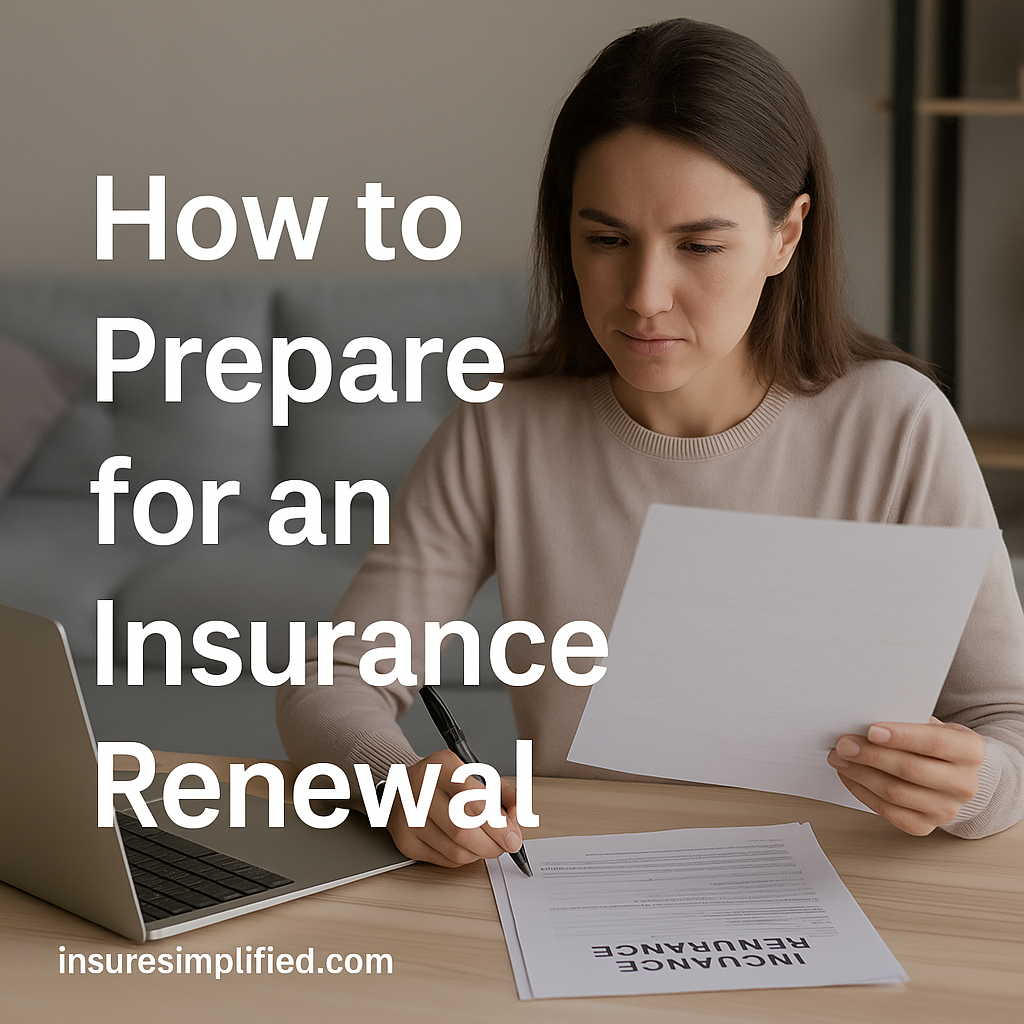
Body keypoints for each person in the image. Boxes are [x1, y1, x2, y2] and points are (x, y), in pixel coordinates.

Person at [277, 19, 1024, 863]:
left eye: (699, 245)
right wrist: (394, 781)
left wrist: (974, 786)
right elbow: (332, 680)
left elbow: (1010, 722)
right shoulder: (503, 425)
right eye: (606, 240)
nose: (644, 296)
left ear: (787, 235)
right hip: (571, 882)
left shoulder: (898, 423)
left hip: (840, 881)